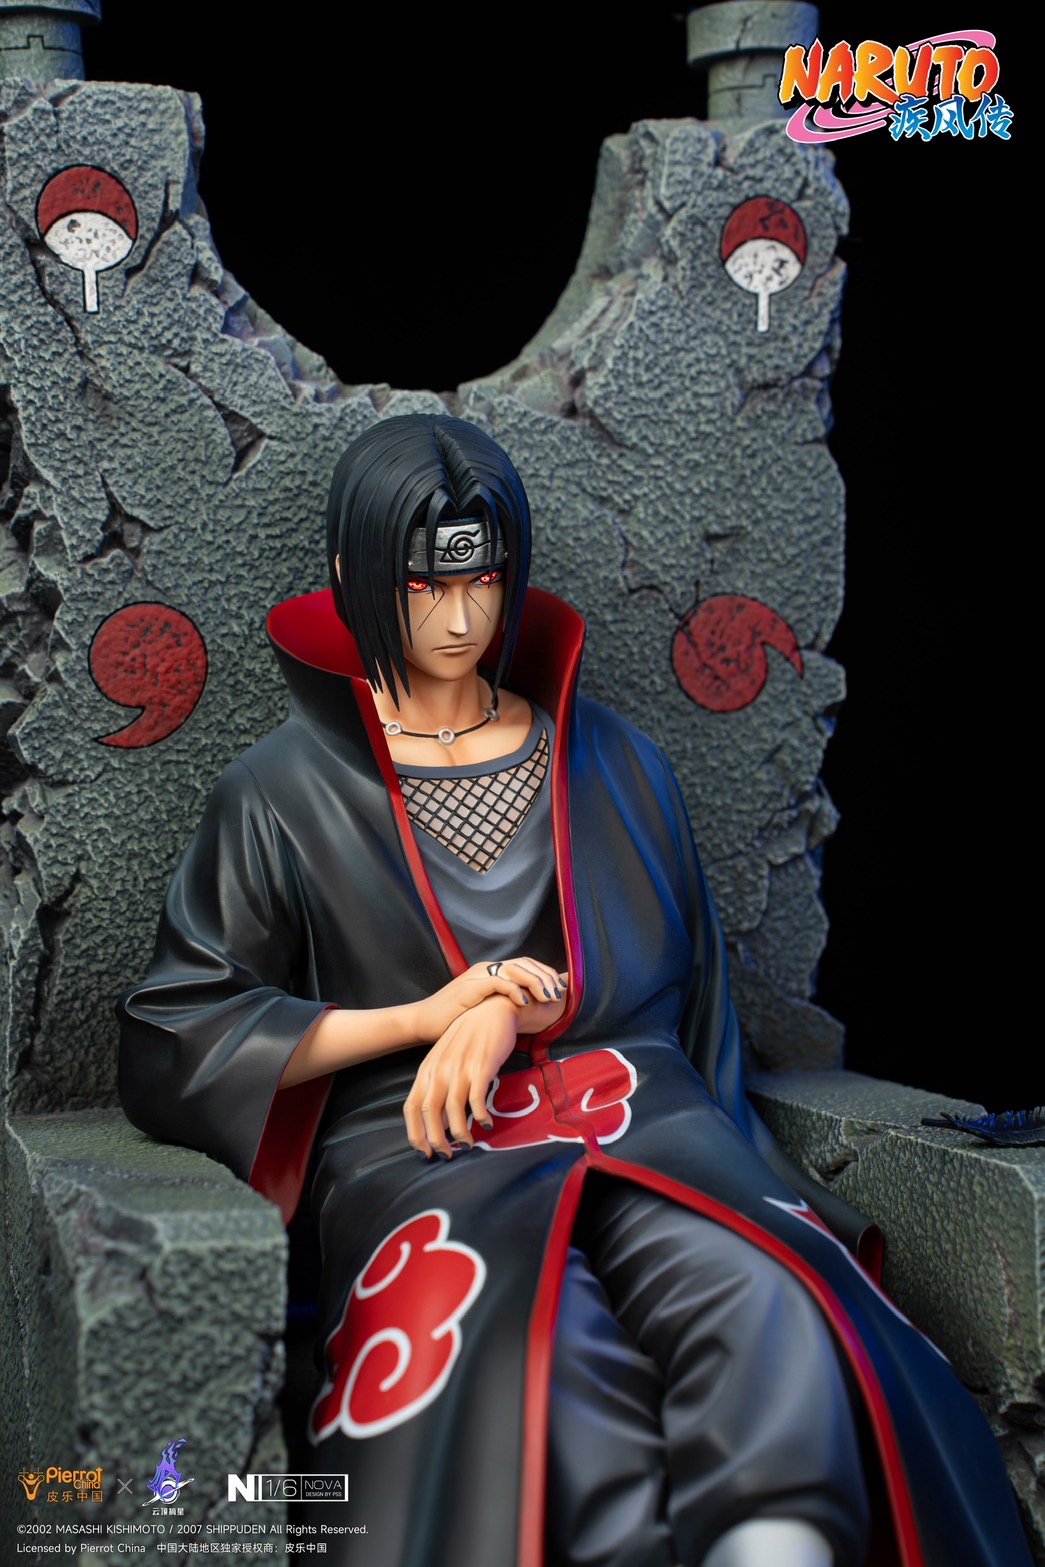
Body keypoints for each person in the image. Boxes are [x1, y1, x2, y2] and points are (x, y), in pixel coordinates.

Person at [119, 415, 1031, 1567]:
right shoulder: (279, 793)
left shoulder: (612, 759)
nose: (460, 620)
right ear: (352, 575)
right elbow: (179, 1028)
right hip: (423, 1150)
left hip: (643, 1119)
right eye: (421, 587)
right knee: (536, 1378)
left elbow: (670, 988)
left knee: (773, 1315)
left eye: (483, 581)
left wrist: (517, 1004)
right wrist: (432, 1015)